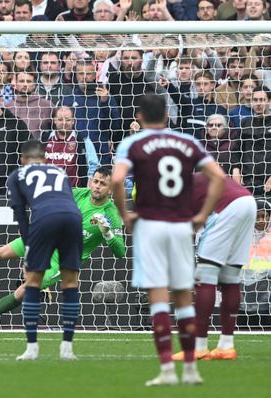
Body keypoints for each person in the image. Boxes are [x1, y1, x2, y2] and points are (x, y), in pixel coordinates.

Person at [111, 94, 226, 386]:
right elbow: (219, 177)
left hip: (150, 225)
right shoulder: (187, 142)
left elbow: (116, 179)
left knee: (158, 299)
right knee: (184, 298)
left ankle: (165, 371)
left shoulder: (133, 143)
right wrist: (201, 216)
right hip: (179, 225)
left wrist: (126, 215)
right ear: (166, 115)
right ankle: (190, 370)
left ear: (139, 116)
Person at [0, 167, 124, 331]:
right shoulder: (78, 194)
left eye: (103, 184)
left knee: (23, 291)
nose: (97, 186)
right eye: (95, 181)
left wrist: (107, 234)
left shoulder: (112, 215)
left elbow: (121, 253)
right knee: (0, 252)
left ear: (111, 190)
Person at [5, 140, 83, 361]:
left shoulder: (17, 175)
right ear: (45, 159)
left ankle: (32, 348)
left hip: (44, 219)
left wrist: (28, 244)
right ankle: (67, 348)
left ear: (22, 160)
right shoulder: (59, 172)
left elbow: (20, 215)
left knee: (32, 282)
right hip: (73, 218)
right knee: (70, 283)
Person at [170, 174, 256, 361]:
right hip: (248, 202)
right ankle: (226, 346)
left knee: (205, 275)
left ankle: (198, 347)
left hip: (228, 207)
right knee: (230, 277)